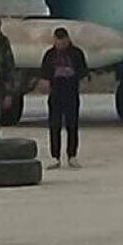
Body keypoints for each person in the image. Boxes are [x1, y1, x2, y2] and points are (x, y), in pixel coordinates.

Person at [39, 27, 90, 168]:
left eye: (63, 42)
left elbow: (83, 72)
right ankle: (55, 156)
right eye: (58, 42)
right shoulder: (50, 55)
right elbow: (44, 74)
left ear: (67, 39)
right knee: (54, 126)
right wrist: (46, 82)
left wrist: (76, 76)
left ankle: (72, 155)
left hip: (71, 93)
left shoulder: (76, 53)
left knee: (72, 125)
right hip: (55, 93)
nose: (60, 45)